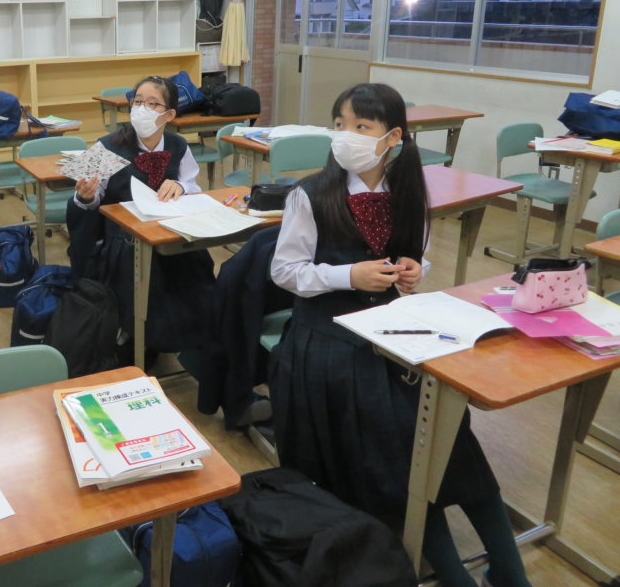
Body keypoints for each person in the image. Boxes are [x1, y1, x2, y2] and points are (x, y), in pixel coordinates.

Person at [268, 82, 531, 587]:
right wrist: (349, 275)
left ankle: (509, 570)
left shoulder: (409, 192)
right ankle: (452, 572)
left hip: (396, 333)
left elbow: (418, 256)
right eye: (339, 124)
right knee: (398, 450)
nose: (344, 135)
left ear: (392, 138)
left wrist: (413, 270)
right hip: (329, 339)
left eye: (360, 126)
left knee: (452, 441)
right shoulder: (311, 195)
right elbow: (285, 271)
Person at [66, 75, 216, 357]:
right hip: (123, 238)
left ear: (169, 115)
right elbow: (86, 201)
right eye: (137, 102)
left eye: (153, 104)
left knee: (196, 262)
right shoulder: (106, 146)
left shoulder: (178, 145)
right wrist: (86, 196)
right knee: (142, 270)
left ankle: (191, 337)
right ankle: (138, 338)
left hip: (168, 230)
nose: (142, 109)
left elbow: (192, 184)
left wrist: (181, 186)